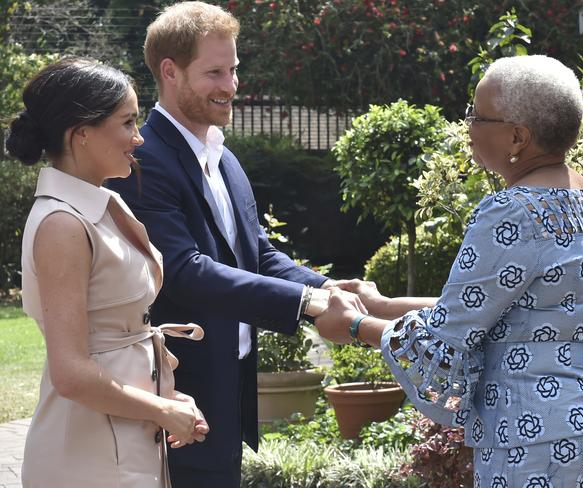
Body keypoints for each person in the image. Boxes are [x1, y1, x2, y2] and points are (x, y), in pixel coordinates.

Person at [317, 55, 583, 487]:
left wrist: (356, 325)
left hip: (536, 442)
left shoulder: (511, 211)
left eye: (477, 115)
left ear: (517, 137)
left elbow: (444, 340)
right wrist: (385, 304)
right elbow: (509, 310)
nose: (467, 125)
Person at [106, 3, 363, 486]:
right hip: (176, 394)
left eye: (234, 69)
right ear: (170, 72)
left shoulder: (224, 158)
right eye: (215, 73)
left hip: (230, 390)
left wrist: (325, 284)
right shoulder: (144, 160)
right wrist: (308, 303)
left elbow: (257, 253)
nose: (231, 85)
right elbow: (183, 270)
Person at [7, 57, 209, 488]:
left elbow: (113, 337)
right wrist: (162, 409)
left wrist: (166, 398)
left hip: (121, 437)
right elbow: (71, 372)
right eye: (127, 122)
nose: (138, 138)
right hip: (87, 452)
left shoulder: (101, 205)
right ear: (81, 134)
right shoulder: (63, 224)